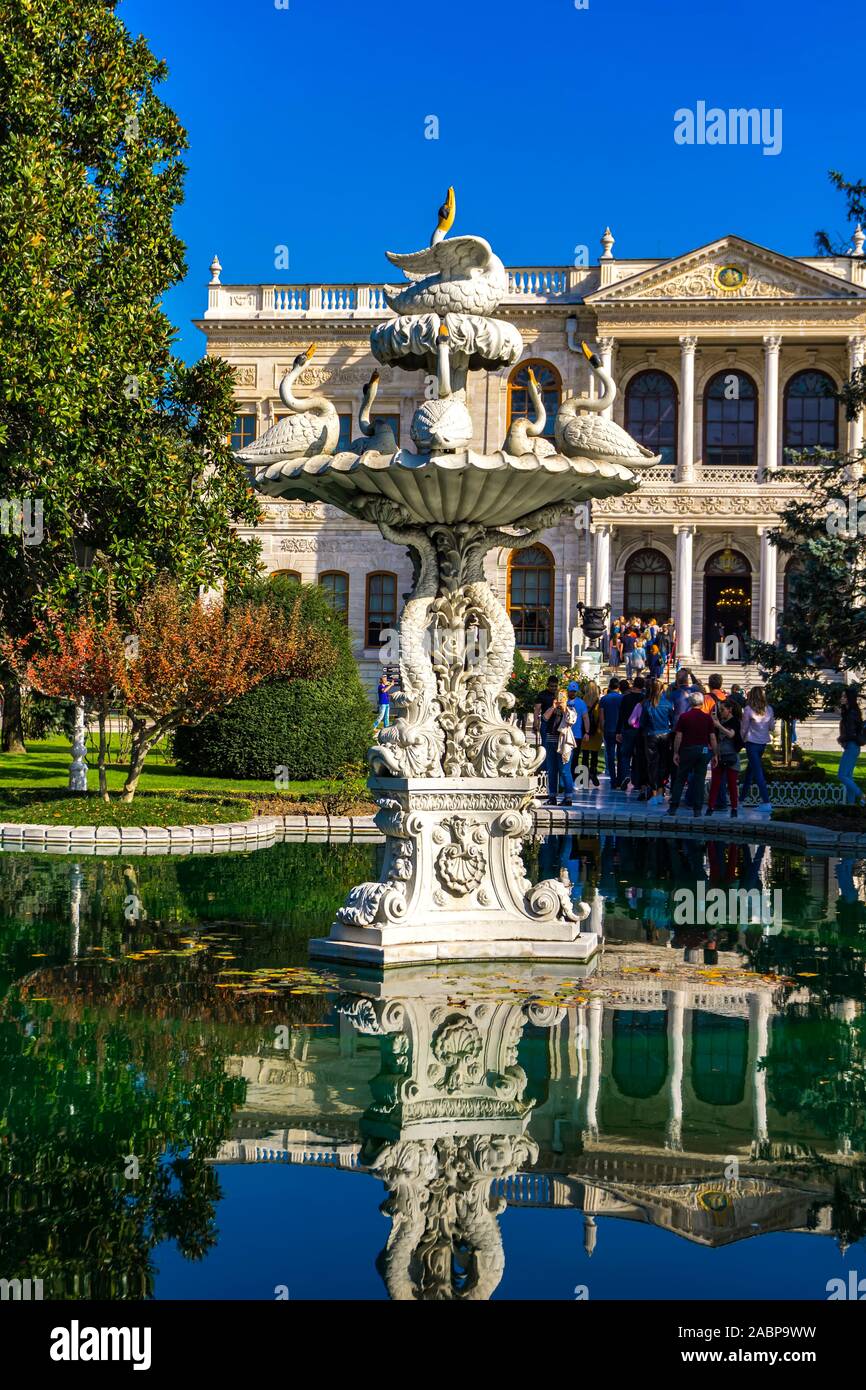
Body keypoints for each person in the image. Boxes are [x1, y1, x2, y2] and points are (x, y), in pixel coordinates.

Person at [667, 692, 719, 817]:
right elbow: (712, 738)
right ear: (701, 703)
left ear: (690, 703)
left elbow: (679, 736)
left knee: (681, 778)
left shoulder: (684, 717)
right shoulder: (707, 718)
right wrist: (715, 754)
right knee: (699, 779)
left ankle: (673, 807)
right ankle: (697, 809)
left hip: (687, 750)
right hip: (703, 750)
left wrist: (675, 752)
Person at [639, 678, 675, 804]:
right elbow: (673, 720)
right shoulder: (668, 703)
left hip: (651, 735)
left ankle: (654, 792)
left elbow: (642, 722)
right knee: (663, 763)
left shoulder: (647, 704)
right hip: (665, 734)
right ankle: (660, 789)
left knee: (652, 764)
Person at [740, 685, 775, 812]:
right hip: (762, 742)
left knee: (757, 771)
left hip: (751, 742)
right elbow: (771, 727)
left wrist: (742, 738)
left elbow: (744, 728)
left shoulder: (748, 709)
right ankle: (741, 799)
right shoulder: (769, 709)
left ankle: (766, 801)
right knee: (751, 770)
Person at [542, 689, 578, 806]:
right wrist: (553, 706)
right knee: (552, 770)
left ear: (566, 699)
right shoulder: (551, 708)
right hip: (550, 741)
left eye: (563, 697)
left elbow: (570, 720)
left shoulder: (570, 709)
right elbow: (544, 718)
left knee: (564, 770)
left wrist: (564, 708)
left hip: (563, 743)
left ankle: (568, 798)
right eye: (559, 696)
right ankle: (552, 796)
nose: (560, 699)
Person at [706, 699, 740, 818]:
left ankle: (734, 808)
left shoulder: (734, 721)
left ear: (729, 709)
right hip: (719, 755)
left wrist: (718, 725)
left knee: (732, 784)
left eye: (722, 710)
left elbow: (731, 734)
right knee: (715, 783)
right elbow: (713, 738)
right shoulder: (718, 721)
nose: (720, 712)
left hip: (731, 755)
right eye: (719, 710)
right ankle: (710, 807)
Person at [836, 687, 866, 806]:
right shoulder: (851, 712)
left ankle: (862, 796)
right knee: (848, 776)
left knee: (842, 775)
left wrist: (841, 738)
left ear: (849, 698)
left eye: (844, 696)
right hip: (852, 747)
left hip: (852, 746)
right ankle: (851, 806)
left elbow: (851, 734)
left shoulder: (851, 713)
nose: (842, 698)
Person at [616, 675, 646, 790]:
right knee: (637, 756)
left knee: (625, 755)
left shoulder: (626, 698)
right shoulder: (643, 699)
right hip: (639, 730)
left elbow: (621, 715)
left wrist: (618, 731)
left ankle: (624, 776)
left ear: (633, 685)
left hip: (627, 729)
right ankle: (636, 780)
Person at [600, 678, 623, 787]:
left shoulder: (604, 699)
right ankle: (620, 778)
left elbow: (601, 717)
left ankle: (613, 779)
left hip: (608, 729)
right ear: (618, 687)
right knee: (620, 754)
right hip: (620, 730)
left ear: (609, 686)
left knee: (610, 754)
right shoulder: (622, 698)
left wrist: (602, 729)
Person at [581, 680, 604, 787]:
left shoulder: (583, 700)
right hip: (596, 730)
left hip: (586, 730)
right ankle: (593, 772)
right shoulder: (598, 702)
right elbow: (600, 717)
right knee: (594, 754)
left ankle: (584, 776)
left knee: (585, 754)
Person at [567, 680, 590, 773]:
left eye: (574, 691)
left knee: (574, 757)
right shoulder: (564, 702)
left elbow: (585, 718)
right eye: (571, 691)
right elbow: (586, 718)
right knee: (568, 756)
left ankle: (572, 776)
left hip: (577, 734)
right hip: (566, 734)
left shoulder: (581, 703)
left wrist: (587, 732)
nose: (572, 693)